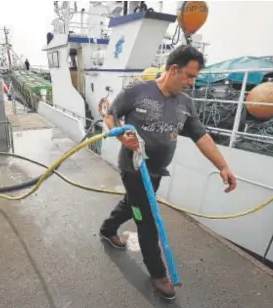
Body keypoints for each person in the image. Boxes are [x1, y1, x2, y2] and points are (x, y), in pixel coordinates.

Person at [98, 45, 237, 300]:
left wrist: (223, 166)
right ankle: (159, 274)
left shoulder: (185, 103)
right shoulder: (137, 91)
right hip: (134, 169)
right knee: (147, 220)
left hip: (157, 171)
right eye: (190, 76)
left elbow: (201, 136)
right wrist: (122, 137)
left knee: (134, 204)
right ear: (174, 69)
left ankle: (107, 230)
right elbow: (111, 116)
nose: (192, 83)